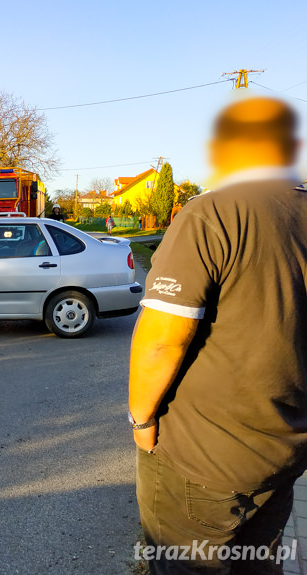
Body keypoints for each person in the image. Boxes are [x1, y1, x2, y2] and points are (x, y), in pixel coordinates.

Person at [129, 96, 306, 574]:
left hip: (203, 460)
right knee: (258, 565)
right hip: (283, 452)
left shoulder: (211, 215)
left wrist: (142, 422)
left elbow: (163, 338)